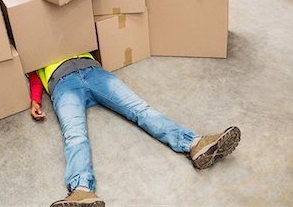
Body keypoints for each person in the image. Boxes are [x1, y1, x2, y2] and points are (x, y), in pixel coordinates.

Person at [28, 53, 241, 207]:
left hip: (94, 72)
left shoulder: (71, 25)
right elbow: (34, 76)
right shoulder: (33, 45)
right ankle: (82, 190)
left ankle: (194, 144)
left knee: (140, 109)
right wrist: (35, 100)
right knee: (74, 135)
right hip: (64, 83)